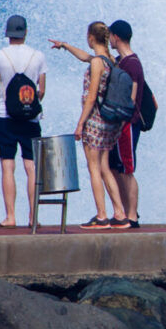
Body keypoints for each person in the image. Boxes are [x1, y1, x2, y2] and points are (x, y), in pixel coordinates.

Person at [50, 22, 126, 230]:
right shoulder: (109, 60)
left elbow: (92, 96)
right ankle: (119, 214)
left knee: (93, 168)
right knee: (104, 168)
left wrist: (80, 124)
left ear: (91, 37)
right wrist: (65, 46)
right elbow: (85, 56)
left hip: (94, 121)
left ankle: (102, 216)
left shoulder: (97, 64)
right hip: (109, 123)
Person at [0, 14, 45, 228]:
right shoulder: (38, 56)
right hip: (30, 119)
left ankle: (11, 217)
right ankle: (33, 217)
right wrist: (27, 106)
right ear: (26, 32)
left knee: (7, 167)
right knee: (31, 168)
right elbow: (41, 90)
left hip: (4, 117)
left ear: (7, 34)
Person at [106, 19, 149, 229]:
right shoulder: (121, 61)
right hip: (119, 125)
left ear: (116, 37)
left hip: (128, 124)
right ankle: (125, 211)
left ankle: (132, 216)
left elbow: (131, 98)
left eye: (110, 36)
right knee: (116, 167)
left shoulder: (131, 63)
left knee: (127, 170)